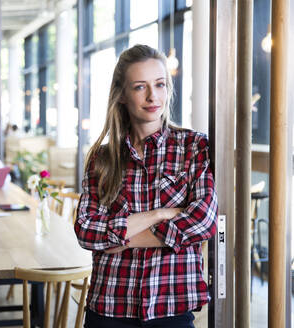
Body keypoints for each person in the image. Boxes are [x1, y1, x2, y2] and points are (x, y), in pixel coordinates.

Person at [74, 45, 218, 328]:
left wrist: (116, 238)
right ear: (122, 95)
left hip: (171, 305)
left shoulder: (194, 147)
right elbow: (86, 231)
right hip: (109, 306)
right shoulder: (102, 159)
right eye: (140, 87)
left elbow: (203, 222)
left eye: (160, 84)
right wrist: (161, 214)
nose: (153, 96)